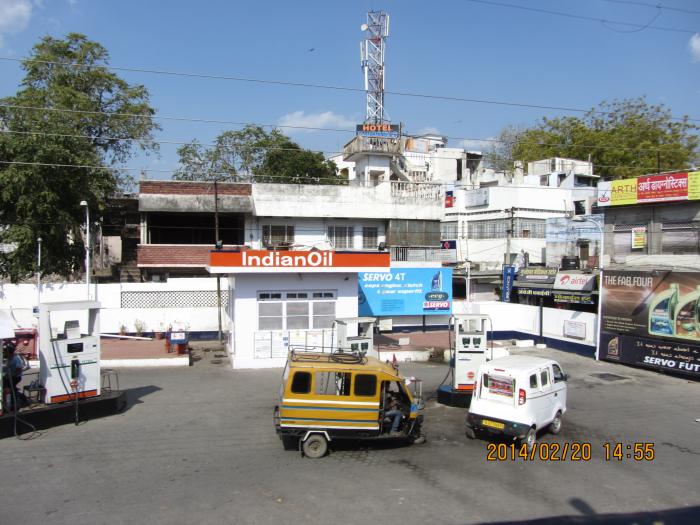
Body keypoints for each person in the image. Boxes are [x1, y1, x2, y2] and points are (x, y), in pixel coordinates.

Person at [2, 340, 28, 410]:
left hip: (15, 377)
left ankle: (16, 405)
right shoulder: (9, 358)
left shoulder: (16, 358)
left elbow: (19, 369)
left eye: (6, 351)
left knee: (12, 389)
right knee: (7, 387)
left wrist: (12, 375)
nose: (5, 353)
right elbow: (7, 368)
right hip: (10, 376)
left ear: (9, 352)